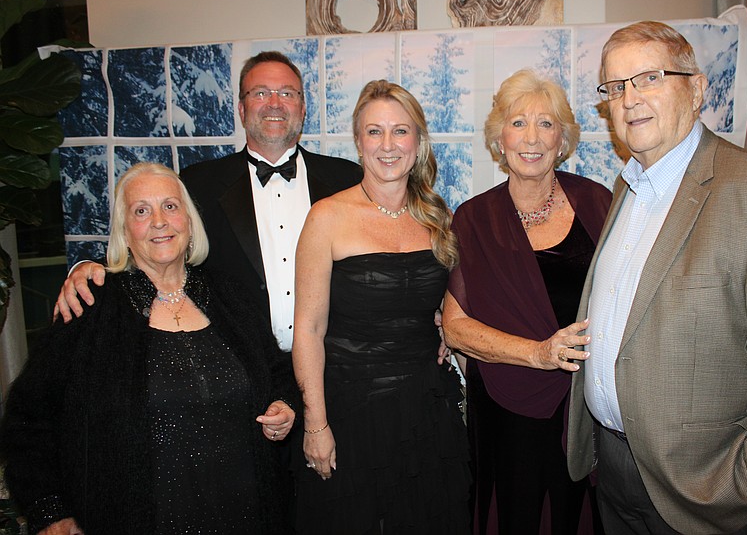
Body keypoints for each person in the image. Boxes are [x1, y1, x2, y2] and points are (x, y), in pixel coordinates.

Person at [566, 21, 747, 535]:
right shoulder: (628, 190)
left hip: (707, 493)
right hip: (614, 472)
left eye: (648, 78)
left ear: (697, 88)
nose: (629, 99)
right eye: (616, 87)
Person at [0, 163, 297, 535]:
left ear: (189, 221)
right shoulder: (89, 307)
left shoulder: (232, 296)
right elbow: (29, 419)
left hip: (248, 514)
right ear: (124, 231)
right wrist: (51, 511)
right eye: (142, 211)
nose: (159, 221)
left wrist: (283, 405)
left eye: (170, 206)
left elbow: (277, 371)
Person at [55, 51, 363, 352]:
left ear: (302, 108)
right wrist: (87, 266)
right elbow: (151, 236)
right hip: (242, 369)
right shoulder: (198, 182)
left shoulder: (347, 180)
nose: (274, 103)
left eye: (287, 93)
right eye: (260, 93)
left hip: (335, 367)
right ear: (241, 109)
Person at [292, 79, 470, 534]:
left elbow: (447, 302)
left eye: (400, 131)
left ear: (418, 140)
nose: (387, 145)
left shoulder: (438, 217)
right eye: (374, 132)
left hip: (425, 412)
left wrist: (445, 327)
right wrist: (316, 425)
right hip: (351, 414)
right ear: (357, 141)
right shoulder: (327, 217)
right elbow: (308, 330)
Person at [441, 68, 612, 535]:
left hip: (586, 402)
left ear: (563, 139)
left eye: (546, 123)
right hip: (505, 409)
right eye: (518, 123)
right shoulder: (474, 218)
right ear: (499, 139)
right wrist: (538, 354)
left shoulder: (598, 202)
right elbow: (455, 328)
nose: (531, 137)